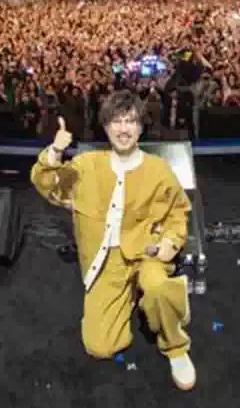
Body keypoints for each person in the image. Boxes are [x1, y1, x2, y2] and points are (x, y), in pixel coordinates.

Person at [29, 90, 196, 390]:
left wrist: (170, 242)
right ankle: (131, 295)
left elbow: (179, 212)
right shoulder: (86, 165)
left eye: (130, 121)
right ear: (105, 127)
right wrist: (54, 151)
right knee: (100, 346)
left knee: (158, 287)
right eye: (116, 121)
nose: (123, 129)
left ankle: (175, 346)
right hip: (106, 262)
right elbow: (47, 185)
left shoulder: (158, 170)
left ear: (140, 127)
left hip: (147, 253)